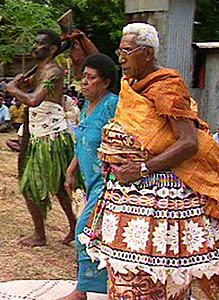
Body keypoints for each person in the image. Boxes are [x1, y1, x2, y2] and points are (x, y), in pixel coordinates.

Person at [79, 23, 219, 300]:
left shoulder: (166, 86)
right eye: (120, 51)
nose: (121, 58)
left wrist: (142, 168)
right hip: (124, 194)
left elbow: (188, 142)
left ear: (147, 53)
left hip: (159, 196)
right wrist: (112, 157)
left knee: (160, 274)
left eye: (127, 51)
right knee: (125, 276)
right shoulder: (131, 87)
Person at [6, 29, 77, 247]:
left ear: (53, 49)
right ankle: (72, 227)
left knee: (33, 186)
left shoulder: (53, 72)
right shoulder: (41, 72)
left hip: (51, 137)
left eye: (40, 44)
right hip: (39, 134)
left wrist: (13, 89)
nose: (35, 47)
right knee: (56, 186)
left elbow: (34, 100)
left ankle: (41, 234)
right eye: (35, 43)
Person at [57, 54, 119, 300]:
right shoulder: (86, 107)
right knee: (98, 235)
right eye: (84, 77)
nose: (84, 82)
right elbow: (83, 143)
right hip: (91, 182)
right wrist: (72, 170)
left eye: (91, 78)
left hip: (109, 183)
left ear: (105, 82)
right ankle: (107, 286)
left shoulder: (112, 105)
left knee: (85, 230)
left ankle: (81, 291)